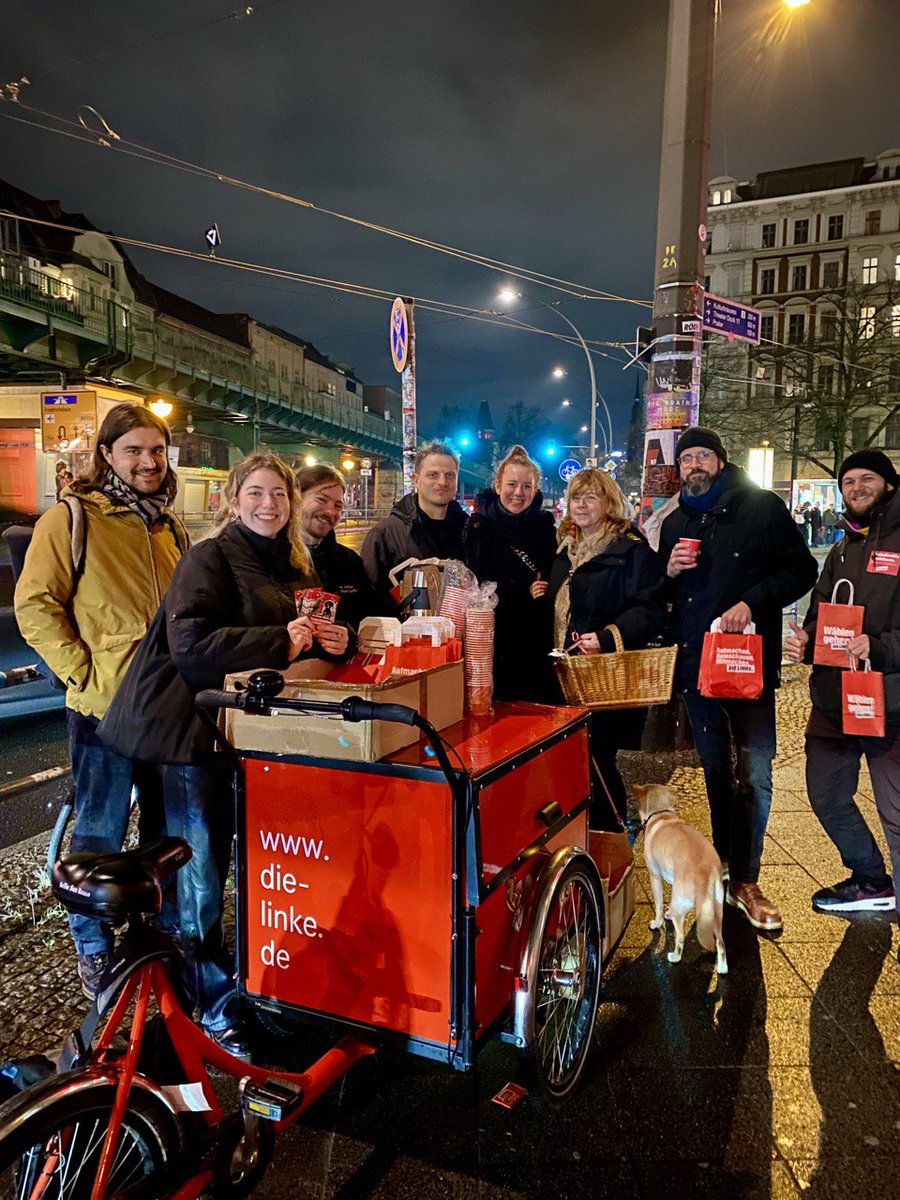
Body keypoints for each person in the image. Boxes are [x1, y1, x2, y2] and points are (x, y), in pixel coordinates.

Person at [99, 453, 351, 1057]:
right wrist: (279, 637)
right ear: (233, 499)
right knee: (203, 873)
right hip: (193, 733)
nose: (270, 505)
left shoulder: (292, 559)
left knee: (245, 863)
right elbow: (190, 645)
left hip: (251, 734)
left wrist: (333, 641)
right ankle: (209, 1005)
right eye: (257, 493)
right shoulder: (207, 557)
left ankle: (242, 980)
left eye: (280, 496)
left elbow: (294, 641)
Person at [15, 403, 189, 998]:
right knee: (100, 828)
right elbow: (36, 605)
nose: (148, 462)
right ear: (108, 455)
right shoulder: (71, 519)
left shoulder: (170, 526)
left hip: (167, 704)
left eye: (157, 451)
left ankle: (160, 934)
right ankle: (92, 946)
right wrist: (81, 673)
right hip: (103, 706)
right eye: (135, 450)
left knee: (166, 831)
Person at [660, 426, 817, 932]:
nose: (694, 465)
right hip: (697, 668)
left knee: (755, 771)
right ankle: (722, 866)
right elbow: (663, 599)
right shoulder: (675, 519)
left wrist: (751, 601)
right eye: (686, 459)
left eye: (703, 455)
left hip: (748, 664)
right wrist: (670, 571)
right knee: (712, 768)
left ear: (720, 460)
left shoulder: (760, 506)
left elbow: (801, 571)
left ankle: (747, 879)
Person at [785, 450, 900, 930]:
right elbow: (821, 613)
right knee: (826, 794)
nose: (855, 487)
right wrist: (807, 641)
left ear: (889, 484)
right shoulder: (841, 546)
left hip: (891, 701)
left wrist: (879, 645)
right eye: (847, 481)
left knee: (897, 812)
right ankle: (872, 879)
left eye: (866, 478)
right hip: (835, 700)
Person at [547, 468, 665, 827]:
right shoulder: (565, 550)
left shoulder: (629, 550)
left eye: (590, 497)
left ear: (609, 503)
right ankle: (575, 833)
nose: (580, 505)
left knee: (597, 758)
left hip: (604, 677)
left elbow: (649, 609)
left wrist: (608, 636)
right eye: (575, 497)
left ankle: (608, 835)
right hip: (565, 675)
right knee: (570, 757)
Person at [462, 445, 557, 702]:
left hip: (535, 642)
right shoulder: (478, 528)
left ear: (536, 489)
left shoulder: (546, 529)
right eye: (512, 484)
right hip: (491, 643)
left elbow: (554, 574)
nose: (518, 493)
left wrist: (546, 587)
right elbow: (473, 584)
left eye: (527, 486)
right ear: (497, 485)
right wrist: (521, 592)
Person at [297, 462, 398, 628]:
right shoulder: (270, 557)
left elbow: (374, 611)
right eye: (322, 499)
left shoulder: (348, 562)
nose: (330, 511)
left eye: (338, 505)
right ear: (296, 498)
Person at [361, 441, 467, 597]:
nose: (442, 482)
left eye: (449, 475)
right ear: (415, 480)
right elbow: (368, 598)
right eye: (433, 474)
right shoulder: (384, 534)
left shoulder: (471, 532)